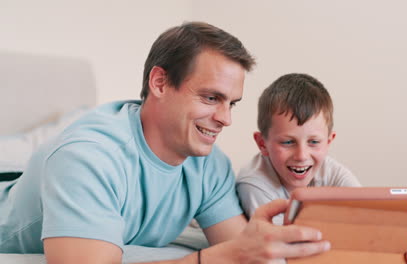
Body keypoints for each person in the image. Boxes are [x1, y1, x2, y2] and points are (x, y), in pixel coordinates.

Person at [0, 22, 331, 263]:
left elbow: (239, 247)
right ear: (159, 82)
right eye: (211, 97)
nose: (225, 119)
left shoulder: (209, 164)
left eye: (231, 103)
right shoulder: (88, 157)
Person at [237, 73, 361, 225]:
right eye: (288, 142)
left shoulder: (333, 173)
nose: (302, 156)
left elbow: (365, 216)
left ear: (328, 142)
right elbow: (278, 243)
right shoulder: (253, 183)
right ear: (263, 144)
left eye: (314, 142)